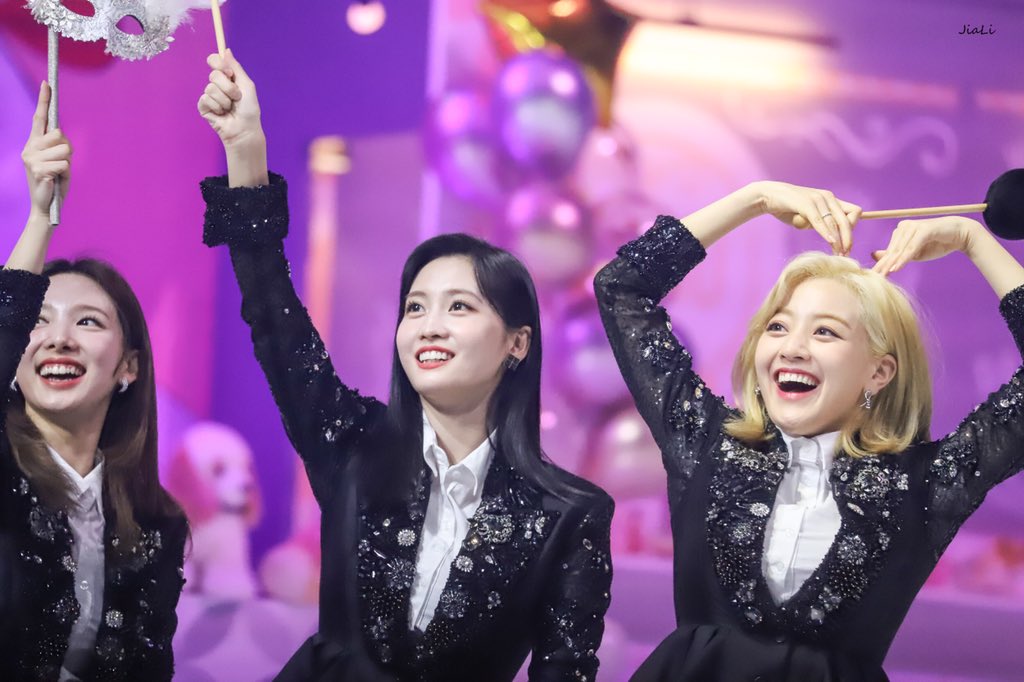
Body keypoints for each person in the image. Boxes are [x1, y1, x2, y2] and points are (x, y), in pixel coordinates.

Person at [197, 51, 615, 682]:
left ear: (517, 343)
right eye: (415, 307)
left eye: (459, 306)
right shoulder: (354, 446)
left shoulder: (568, 514)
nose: (428, 325)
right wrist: (246, 151)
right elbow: (273, 317)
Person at [595, 181, 1024, 681]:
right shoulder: (703, 441)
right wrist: (754, 199)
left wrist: (973, 240)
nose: (792, 348)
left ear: (878, 372)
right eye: (778, 327)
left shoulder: (924, 484)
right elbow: (621, 288)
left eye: (825, 332)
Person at [0, 83, 188, 681]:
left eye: (87, 322)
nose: (58, 339)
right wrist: (39, 218)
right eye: (37, 320)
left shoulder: (157, 522)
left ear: (128, 366)